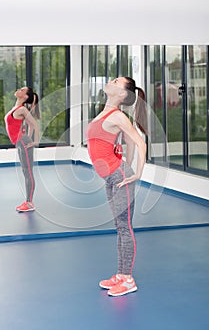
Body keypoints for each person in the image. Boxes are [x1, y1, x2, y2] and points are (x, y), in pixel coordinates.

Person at [86, 77, 147, 297]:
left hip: (119, 176)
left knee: (125, 227)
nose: (111, 81)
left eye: (116, 81)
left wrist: (135, 173)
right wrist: (126, 166)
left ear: (122, 94)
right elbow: (128, 143)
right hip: (112, 178)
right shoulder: (104, 113)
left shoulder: (118, 116)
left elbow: (140, 142)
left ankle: (128, 279)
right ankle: (121, 274)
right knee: (119, 226)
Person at [4, 87, 40, 212]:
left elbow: (34, 124)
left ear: (25, 97)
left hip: (23, 143)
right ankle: (28, 201)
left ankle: (30, 203)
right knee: (26, 172)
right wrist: (27, 138)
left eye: (22, 90)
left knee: (28, 172)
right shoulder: (17, 108)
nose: (18, 90)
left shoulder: (22, 109)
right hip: (21, 143)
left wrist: (33, 141)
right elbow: (28, 125)